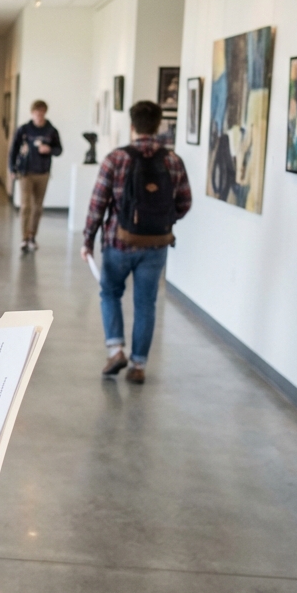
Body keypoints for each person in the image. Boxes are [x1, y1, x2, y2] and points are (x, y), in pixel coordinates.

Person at [81, 100, 192, 384]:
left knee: (110, 293)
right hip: (156, 245)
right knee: (146, 303)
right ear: (158, 126)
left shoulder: (116, 158)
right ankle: (139, 365)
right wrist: (163, 222)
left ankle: (116, 349)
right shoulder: (172, 160)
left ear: (132, 125)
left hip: (119, 241)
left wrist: (88, 239)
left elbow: (98, 203)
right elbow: (185, 202)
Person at [9, 99, 62, 252]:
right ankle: (24, 238)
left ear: (45, 113)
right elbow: (13, 150)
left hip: (43, 173)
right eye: (36, 112)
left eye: (42, 112)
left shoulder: (51, 130)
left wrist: (49, 149)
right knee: (26, 206)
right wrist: (12, 169)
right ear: (32, 113)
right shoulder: (24, 130)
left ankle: (32, 236)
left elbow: (59, 150)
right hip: (26, 172)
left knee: (38, 207)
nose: (39, 115)